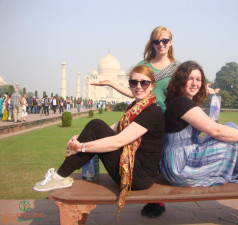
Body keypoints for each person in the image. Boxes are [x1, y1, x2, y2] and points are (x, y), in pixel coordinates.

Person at [94, 26, 219, 217]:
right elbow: (137, 91)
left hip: (171, 117)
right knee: (146, 156)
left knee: (162, 157)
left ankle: (158, 201)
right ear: (152, 43)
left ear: (171, 42)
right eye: (157, 41)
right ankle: (151, 197)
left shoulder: (178, 67)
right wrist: (113, 85)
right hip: (148, 115)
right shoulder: (144, 65)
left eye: (165, 41)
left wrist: (204, 91)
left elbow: (187, 88)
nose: (161, 45)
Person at [33, 65, 165, 218]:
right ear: (129, 84)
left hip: (139, 177)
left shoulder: (152, 111)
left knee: (95, 125)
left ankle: (59, 176)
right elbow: (112, 128)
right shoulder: (136, 108)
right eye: (134, 83)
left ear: (152, 85)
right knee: (95, 126)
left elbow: (118, 141)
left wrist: (82, 147)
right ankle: (60, 176)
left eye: (144, 83)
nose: (138, 86)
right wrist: (80, 138)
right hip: (133, 169)